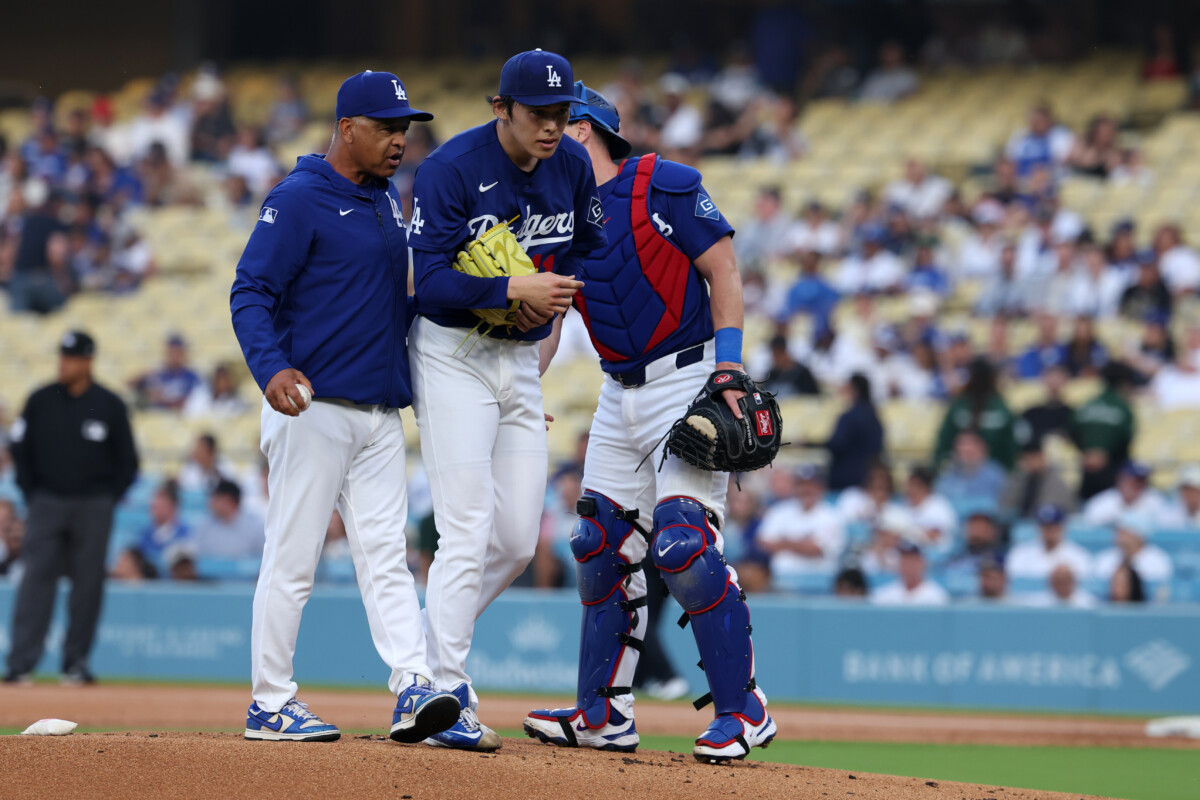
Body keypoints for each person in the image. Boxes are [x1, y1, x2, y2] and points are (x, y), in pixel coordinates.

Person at [524, 81, 775, 763]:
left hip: (687, 377)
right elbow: (550, 322)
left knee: (682, 546)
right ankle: (602, 714)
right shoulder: (558, 218)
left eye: (550, 125)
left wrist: (728, 369)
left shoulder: (662, 184)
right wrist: (521, 390)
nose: (538, 140)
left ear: (580, 132)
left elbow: (722, 269)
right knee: (600, 545)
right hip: (618, 391)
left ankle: (743, 710)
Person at [229, 71, 459, 743]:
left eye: (405, 128)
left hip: (379, 411)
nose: (400, 140)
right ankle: (270, 700)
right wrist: (269, 368)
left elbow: (391, 303)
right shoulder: (299, 198)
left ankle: (414, 688)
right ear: (347, 128)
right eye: (387, 128)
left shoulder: (389, 200)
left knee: (387, 557)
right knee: (293, 560)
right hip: (313, 405)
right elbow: (250, 291)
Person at [406, 50, 604, 753]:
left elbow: (578, 260)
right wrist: (511, 292)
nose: (553, 126)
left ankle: (423, 662)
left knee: (518, 540)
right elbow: (428, 284)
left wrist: (540, 342)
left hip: (518, 359)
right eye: (538, 114)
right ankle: (447, 692)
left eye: (562, 114)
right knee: (467, 526)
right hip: (452, 354)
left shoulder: (573, 168)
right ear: (502, 110)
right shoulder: (450, 170)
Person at [4, 331, 138, 685]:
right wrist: (32, 493)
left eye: (71, 357)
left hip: (94, 505)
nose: (63, 363)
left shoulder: (109, 404)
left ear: (88, 361)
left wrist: (108, 497)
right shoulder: (40, 400)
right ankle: (21, 664)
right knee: (35, 580)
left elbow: (128, 461)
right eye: (62, 356)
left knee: (88, 585)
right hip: (46, 501)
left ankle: (75, 664)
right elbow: (19, 450)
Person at [758, 464, 846, 580]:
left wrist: (784, 542)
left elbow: (816, 550)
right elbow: (763, 543)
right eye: (802, 484)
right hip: (783, 581)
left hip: (821, 581)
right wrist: (803, 543)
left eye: (811, 484)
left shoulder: (832, 515)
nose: (806, 489)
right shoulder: (780, 510)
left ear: (821, 487)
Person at [933, 357, 1018, 472]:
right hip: (960, 470)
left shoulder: (998, 407)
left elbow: (1010, 444)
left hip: (995, 472)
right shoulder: (960, 405)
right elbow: (946, 438)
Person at [1070, 361, 1135, 500]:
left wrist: (1087, 452)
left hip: (1087, 468)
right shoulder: (1122, 407)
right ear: (1123, 383)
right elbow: (1127, 437)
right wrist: (1104, 454)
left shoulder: (1088, 404)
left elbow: (1070, 428)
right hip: (1112, 471)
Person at [814, 373, 884, 492]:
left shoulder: (849, 417)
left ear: (854, 390)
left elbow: (836, 444)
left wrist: (810, 444)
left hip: (845, 478)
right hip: (868, 479)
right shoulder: (875, 417)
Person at [999, 437, 1076, 521]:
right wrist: (1018, 474)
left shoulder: (1055, 482)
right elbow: (1005, 505)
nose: (1030, 462)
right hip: (1022, 527)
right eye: (1026, 459)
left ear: (1042, 457)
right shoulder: (1022, 478)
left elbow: (1047, 512)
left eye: (1034, 458)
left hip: (1048, 528)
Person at [1006, 505, 1091, 580]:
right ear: (1038, 527)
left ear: (1062, 527)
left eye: (1054, 525)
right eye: (1045, 526)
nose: (1049, 530)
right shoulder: (1020, 553)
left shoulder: (1078, 555)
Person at [1081, 461, 1174, 529]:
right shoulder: (1100, 503)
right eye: (1134, 479)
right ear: (1121, 479)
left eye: (1142, 480)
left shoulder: (1157, 502)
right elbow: (1089, 532)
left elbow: (1168, 529)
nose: (1138, 484)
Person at [190, 480, 265, 560]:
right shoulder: (204, 525)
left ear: (230, 501)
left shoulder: (255, 527)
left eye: (216, 498)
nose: (211, 502)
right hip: (209, 572)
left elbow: (262, 558)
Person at [130, 334, 203, 411]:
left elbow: (190, 402)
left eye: (176, 352)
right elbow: (130, 383)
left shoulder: (191, 377)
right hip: (156, 414)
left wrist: (162, 398)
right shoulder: (159, 374)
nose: (173, 356)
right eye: (170, 352)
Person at [135, 478, 192, 574]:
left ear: (173, 506)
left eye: (161, 504)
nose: (155, 507)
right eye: (154, 505)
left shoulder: (186, 534)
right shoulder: (144, 534)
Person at [1092, 516, 1173, 584]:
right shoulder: (1105, 558)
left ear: (1138, 536)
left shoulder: (1159, 561)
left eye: (1124, 532)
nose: (1119, 537)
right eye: (1118, 532)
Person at [870, 543, 949, 605]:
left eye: (913, 561)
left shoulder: (936, 596)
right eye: (905, 561)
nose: (909, 566)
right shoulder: (884, 595)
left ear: (922, 563)